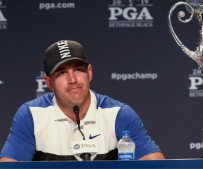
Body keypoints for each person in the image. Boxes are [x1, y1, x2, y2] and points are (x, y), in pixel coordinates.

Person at [0, 40, 165, 161]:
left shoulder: (119, 115)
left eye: (78, 70)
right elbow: (9, 165)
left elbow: (155, 163)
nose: (72, 79)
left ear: (90, 73)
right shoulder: (30, 116)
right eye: (62, 73)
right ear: (49, 82)